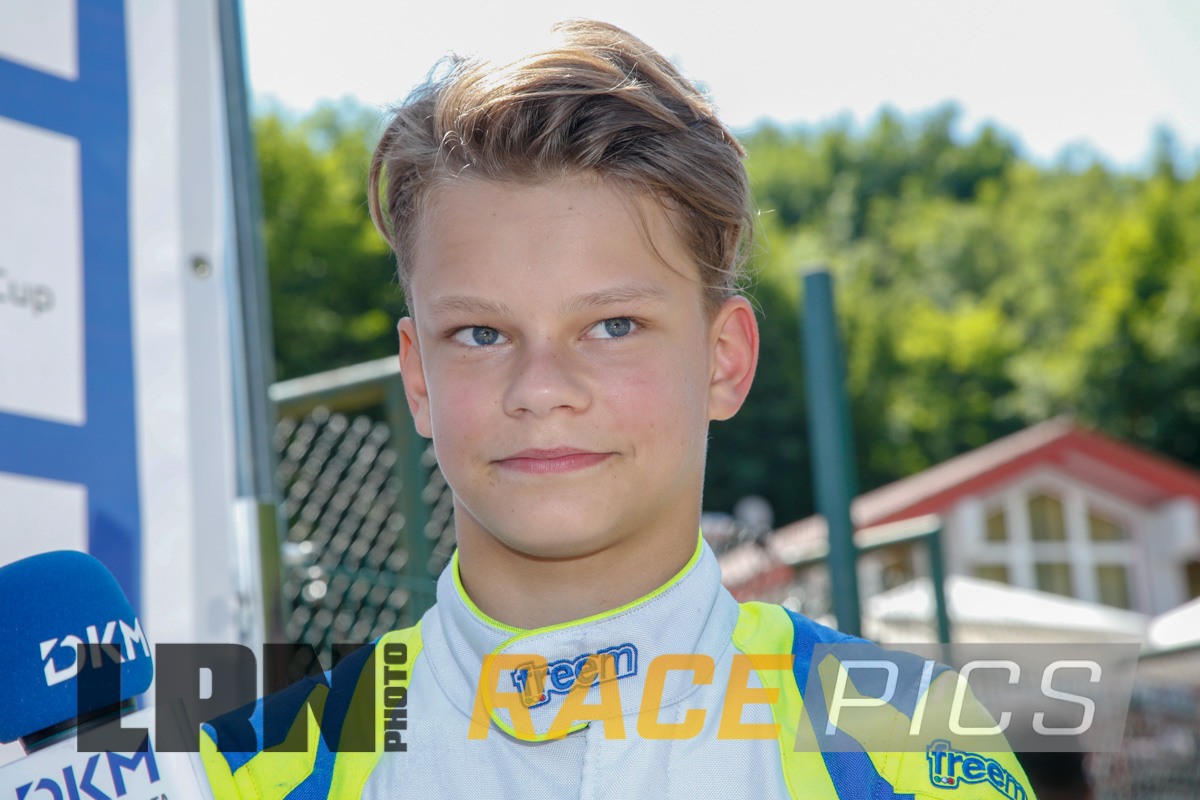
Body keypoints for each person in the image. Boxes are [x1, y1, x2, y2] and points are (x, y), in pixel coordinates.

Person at [199, 19, 1036, 799]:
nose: (540, 388)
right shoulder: (248, 772)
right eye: (482, 334)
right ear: (418, 380)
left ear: (724, 360)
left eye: (612, 326)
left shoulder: (909, 743)